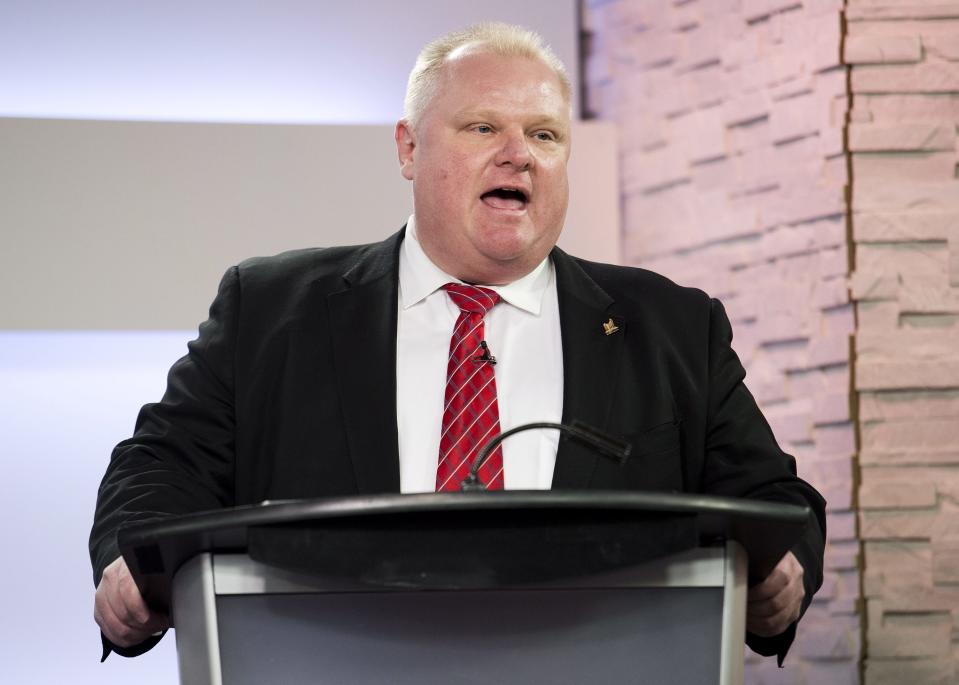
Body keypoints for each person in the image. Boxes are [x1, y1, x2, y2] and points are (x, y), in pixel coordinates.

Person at [91, 22, 825, 665]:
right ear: (408, 147)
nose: (519, 155)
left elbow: (772, 497)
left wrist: (783, 572)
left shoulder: (669, 324)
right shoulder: (271, 308)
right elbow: (161, 465)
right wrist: (135, 563)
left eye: (544, 134)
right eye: (482, 128)